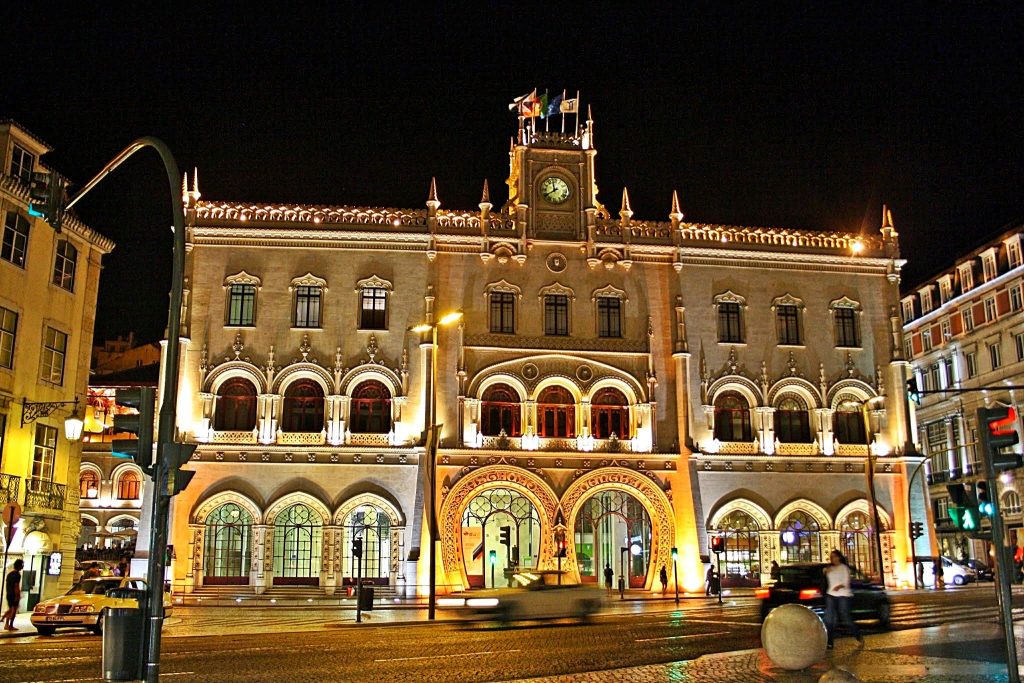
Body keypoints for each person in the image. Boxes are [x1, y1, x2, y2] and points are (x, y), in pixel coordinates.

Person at [824, 549, 862, 649]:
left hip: (843, 595)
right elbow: (824, 577)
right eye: (831, 557)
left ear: (839, 557)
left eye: (834, 556)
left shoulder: (844, 568)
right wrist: (824, 572)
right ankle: (830, 642)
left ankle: (857, 635)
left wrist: (839, 586)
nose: (833, 559)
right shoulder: (830, 568)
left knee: (845, 618)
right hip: (831, 595)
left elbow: (846, 582)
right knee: (829, 620)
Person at [3, 559, 23, 631]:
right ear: (19, 566)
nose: (22, 566)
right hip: (14, 595)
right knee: (13, 611)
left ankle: (6, 624)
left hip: (9, 594)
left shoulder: (9, 574)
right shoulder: (17, 575)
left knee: (11, 609)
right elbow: (16, 586)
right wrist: (18, 595)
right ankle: (10, 625)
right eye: (22, 565)